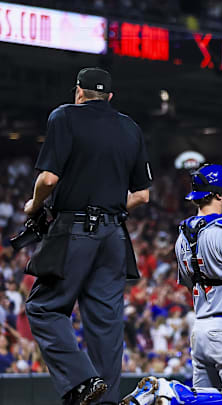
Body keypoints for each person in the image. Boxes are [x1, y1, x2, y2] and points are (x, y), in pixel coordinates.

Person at [23, 67, 152, 405]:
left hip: (75, 229)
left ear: (78, 92)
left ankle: (81, 381)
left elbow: (49, 179)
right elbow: (142, 196)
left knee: (43, 308)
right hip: (114, 236)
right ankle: (104, 401)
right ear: (110, 96)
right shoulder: (130, 127)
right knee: (105, 325)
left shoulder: (64, 116)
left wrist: (33, 205)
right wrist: (106, 205)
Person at [122, 163, 222, 405]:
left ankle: (171, 395)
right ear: (218, 195)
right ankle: (172, 392)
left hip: (202, 327)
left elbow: (189, 285)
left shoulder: (182, 237)